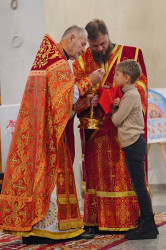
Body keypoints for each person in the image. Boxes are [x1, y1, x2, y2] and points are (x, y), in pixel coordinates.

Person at [0, 25, 105, 244]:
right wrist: (89, 81)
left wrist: (85, 102)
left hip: (43, 130)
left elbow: (58, 102)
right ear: (71, 38)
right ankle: (53, 229)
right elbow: (62, 101)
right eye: (83, 44)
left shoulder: (49, 60)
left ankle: (36, 229)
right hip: (49, 136)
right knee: (54, 177)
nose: (83, 50)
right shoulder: (58, 64)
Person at [73, 19, 149, 233]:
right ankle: (97, 221)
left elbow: (140, 86)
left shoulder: (131, 55)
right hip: (95, 133)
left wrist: (114, 93)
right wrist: (92, 95)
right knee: (98, 176)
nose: (98, 49)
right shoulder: (82, 61)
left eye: (102, 44)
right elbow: (77, 91)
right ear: (87, 42)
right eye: (94, 45)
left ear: (108, 36)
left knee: (127, 175)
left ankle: (129, 220)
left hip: (122, 131)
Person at [111, 59, 158, 240]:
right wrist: (118, 105)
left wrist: (115, 109)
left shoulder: (130, 95)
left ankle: (148, 225)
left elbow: (116, 121)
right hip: (134, 143)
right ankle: (149, 224)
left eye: (117, 74)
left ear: (127, 77)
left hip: (134, 143)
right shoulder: (129, 93)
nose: (114, 77)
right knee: (139, 186)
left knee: (139, 187)